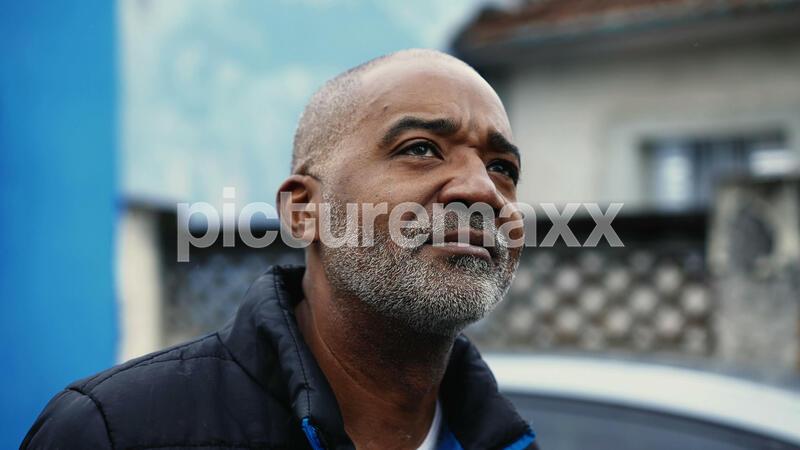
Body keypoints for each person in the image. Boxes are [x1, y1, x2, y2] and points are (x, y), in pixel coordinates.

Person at [22, 49, 537, 450]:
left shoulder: (506, 439)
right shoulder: (113, 430)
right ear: (304, 210)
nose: (481, 190)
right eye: (420, 149)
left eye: (502, 168)